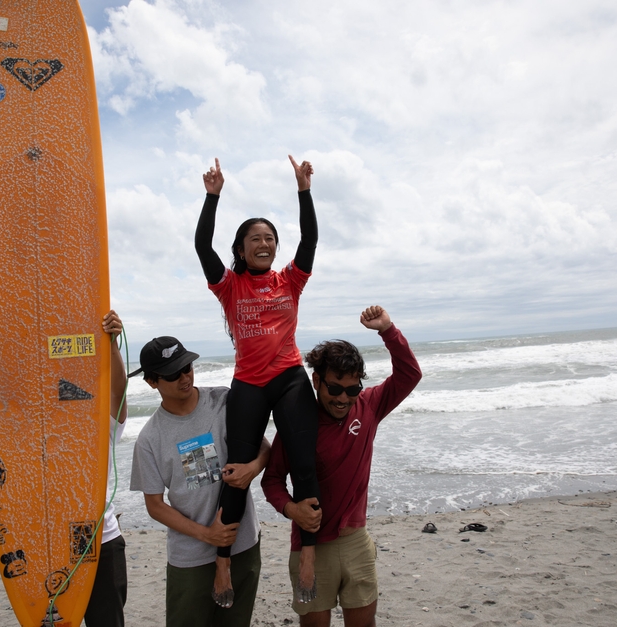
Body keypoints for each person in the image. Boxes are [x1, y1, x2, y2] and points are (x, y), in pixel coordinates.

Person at [194, 155, 321, 606]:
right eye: (255, 239)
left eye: (269, 238)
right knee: (236, 473)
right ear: (243, 249)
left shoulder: (290, 280)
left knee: (305, 464)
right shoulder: (230, 286)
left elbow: (309, 238)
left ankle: (307, 556)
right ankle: (223, 560)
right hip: (248, 383)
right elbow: (202, 247)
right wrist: (213, 197)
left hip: (289, 378)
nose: (264, 243)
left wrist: (303, 189)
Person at [0, 310, 130, 627]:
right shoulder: (25, 436)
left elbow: (118, 392)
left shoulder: (95, 423)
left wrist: (113, 345)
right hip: (41, 542)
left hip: (99, 540)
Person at [261, 305, 423, 626]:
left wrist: (387, 330)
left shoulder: (369, 406)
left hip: (356, 542)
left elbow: (410, 374)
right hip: (310, 549)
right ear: (316, 380)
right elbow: (273, 481)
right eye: (334, 388)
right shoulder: (297, 424)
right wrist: (292, 511)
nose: (342, 399)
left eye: (351, 390)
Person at [128, 335, 269, 626]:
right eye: (172, 374)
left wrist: (253, 469)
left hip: (242, 544)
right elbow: (155, 505)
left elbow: (265, 448)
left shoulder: (222, 401)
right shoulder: (149, 439)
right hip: (191, 558)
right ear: (152, 382)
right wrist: (208, 536)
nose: (184, 377)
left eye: (187, 368)